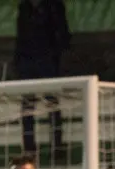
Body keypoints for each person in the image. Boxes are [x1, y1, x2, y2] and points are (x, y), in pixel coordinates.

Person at [15, 0, 71, 153]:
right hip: (28, 61)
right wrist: (19, 61)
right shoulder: (24, 8)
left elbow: (62, 33)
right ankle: (29, 146)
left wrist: (56, 57)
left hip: (48, 60)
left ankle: (57, 144)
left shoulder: (54, 6)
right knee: (27, 104)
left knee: (52, 102)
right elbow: (21, 37)